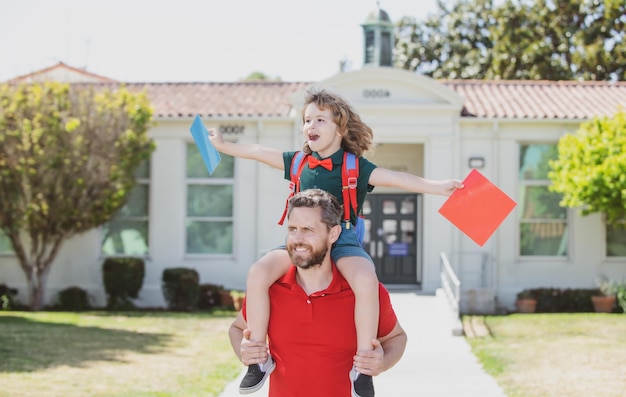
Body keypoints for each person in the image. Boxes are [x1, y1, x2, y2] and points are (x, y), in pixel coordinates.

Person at [209, 88, 463, 396]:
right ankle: (259, 361)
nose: (310, 126)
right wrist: (223, 145)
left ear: (340, 128)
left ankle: (363, 365)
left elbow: (398, 178)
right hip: (304, 240)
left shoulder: (356, 167)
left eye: (320, 120)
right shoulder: (299, 162)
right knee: (258, 273)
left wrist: (439, 188)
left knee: (366, 278)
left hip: (342, 239)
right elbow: (259, 151)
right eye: (307, 120)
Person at [228, 189, 408, 397]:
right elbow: (237, 329)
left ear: (333, 234)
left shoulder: (363, 292)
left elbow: (396, 337)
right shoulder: (270, 289)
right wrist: (246, 352)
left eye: (307, 230)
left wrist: (382, 363)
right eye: (293, 229)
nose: (297, 239)